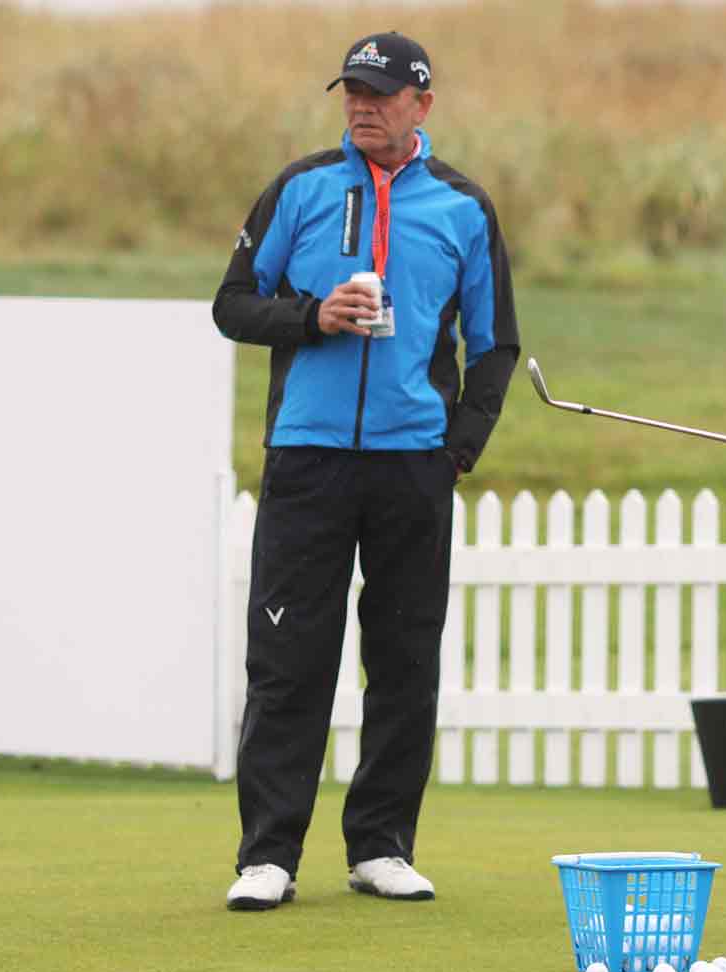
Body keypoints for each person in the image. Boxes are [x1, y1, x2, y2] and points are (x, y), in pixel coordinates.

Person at [212, 31, 519, 911]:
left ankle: (381, 844)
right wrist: (313, 316)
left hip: (411, 466)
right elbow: (232, 304)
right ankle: (267, 856)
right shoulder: (302, 186)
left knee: (404, 656)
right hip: (306, 458)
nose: (361, 107)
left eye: (380, 94)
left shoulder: (464, 206)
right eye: (351, 92)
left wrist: (458, 445)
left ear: (421, 104)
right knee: (287, 659)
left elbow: (495, 344)